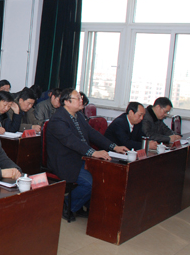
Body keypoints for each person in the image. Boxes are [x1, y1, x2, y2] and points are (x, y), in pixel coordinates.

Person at [46, 89, 128, 218]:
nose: (81, 100)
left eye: (81, 98)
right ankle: (66, 204)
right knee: (90, 183)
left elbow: (93, 134)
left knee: (103, 176)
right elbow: (71, 141)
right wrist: (93, 153)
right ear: (67, 102)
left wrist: (114, 147)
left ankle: (82, 205)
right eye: (78, 98)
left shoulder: (78, 116)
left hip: (81, 157)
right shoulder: (58, 120)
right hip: (65, 161)